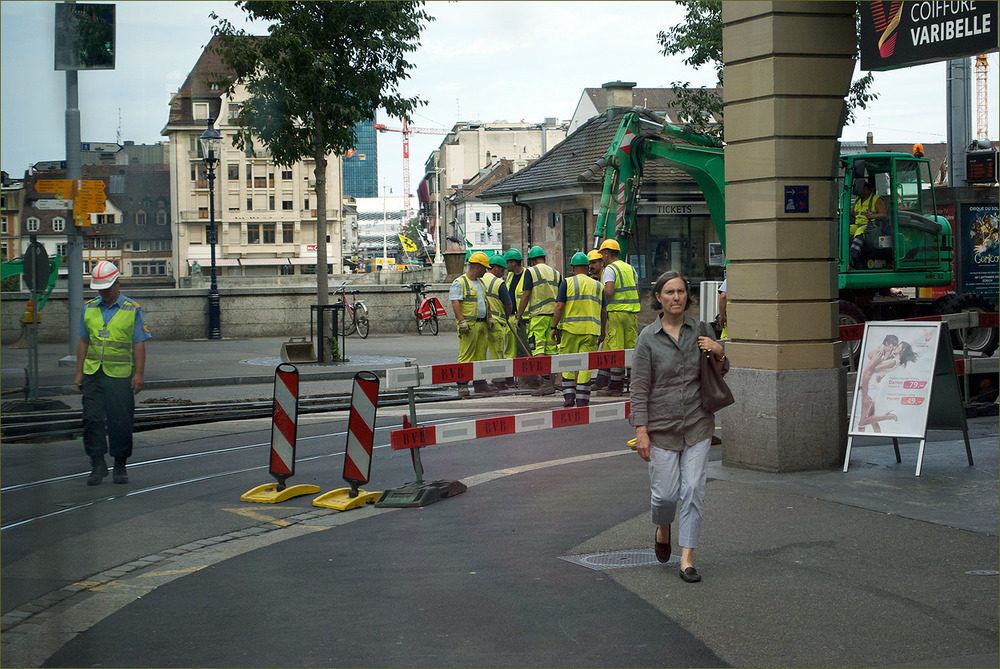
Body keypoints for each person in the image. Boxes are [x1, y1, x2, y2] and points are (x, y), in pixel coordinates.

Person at [630, 270, 728, 583]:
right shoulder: (648, 338)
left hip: (698, 423)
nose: (676, 297)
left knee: (693, 489)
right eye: (670, 292)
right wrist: (641, 431)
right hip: (660, 428)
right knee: (664, 497)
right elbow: (639, 387)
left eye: (681, 292)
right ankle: (662, 526)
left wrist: (719, 352)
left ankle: (687, 558)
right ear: (658, 298)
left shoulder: (699, 329)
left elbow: (719, 370)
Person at [74, 261, 152, 485]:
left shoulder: (132, 309)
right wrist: (79, 373)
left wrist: (139, 374)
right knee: (91, 419)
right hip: (93, 373)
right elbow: (83, 341)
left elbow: (139, 343)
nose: (104, 292)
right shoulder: (89, 308)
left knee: (120, 421)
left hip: (119, 375)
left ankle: (120, 465)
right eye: (100, 288)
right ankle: (97, 464)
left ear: (117, 282)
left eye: (107, 287)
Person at [551, 252, 606, 407]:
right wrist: (602, 331)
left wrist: (554, 327)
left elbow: (559, 306)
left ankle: (569, 396)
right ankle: (582, 398)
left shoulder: (566, 283)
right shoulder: (598, 285)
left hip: (570, 330)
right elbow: (603, 311)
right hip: (591, 331)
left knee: (567, 363)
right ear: (587, 267)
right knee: (586, 365)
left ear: (573, 268)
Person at [514, 245, 562, 396]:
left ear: (532, 260)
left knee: (539, 350)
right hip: (554, 318)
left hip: (539, 317)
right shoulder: (556, 273)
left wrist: (519, 315)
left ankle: (545, 383)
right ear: (544, 259)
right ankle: (552, 382)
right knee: (552, 350)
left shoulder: (531, 271)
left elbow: (526, 294)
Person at [598, 239, 639, 396]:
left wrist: (599, 298)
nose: (601, 257)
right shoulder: (630, 268)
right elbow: (635, 289)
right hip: (631, 313)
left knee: (616, 348)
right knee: (631, 348)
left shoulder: (610, 269)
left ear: (607, 254)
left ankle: (615, 385)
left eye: (602, 254)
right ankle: (633, 384)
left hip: (615, 312)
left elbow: (608, 291)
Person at [449, 251, 493, 398]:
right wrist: (461, 321)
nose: (486, 271)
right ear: (478, 267)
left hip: (481, 324)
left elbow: (485, 302)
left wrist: (490, 318)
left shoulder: (480, 283)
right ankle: (462, 385)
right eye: (484, 268)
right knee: (466, 355)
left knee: (480, 355)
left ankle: (480, 384)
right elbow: (455, 302)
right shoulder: (459, 282)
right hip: (468, 326)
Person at [504, 248, 534, 388]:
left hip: (524, 319)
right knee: (511, 350)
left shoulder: (526, 275)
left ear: (513, 263)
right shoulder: (510, 277)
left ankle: (528, 379)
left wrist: (519, 316)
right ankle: (511, 378)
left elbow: (526, 295)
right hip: (511, 318)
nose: (506, 266)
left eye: (508, 263)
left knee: (525, 349)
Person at [484, 253, 514, 390]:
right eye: (502, 270)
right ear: (495, 268)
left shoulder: (480, 279)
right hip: (496, 322)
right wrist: (507, 315)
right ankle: (499, 381)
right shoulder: (499, 283)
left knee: (480, 353)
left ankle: (480, 382)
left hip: (482, 321)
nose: (503, 274)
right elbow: (508, 304)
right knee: (497, 353)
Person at [849, 175, 886, 269]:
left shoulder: (876, 199)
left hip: (871, 226)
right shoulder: (857, 200)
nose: (858, 193)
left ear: (865, 189)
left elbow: (883, 214)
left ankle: (852, 256)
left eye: (859, 190)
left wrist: (873, 216)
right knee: (846, 230)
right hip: (857, 224)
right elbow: (853, 213)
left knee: (859, 232)